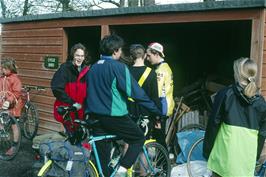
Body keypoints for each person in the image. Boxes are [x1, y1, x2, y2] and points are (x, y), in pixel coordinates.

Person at [85, 34, 161, 177]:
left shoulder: (93, 67)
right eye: (120, 50)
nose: (121, 53)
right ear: (115, 51)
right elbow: (136, 93)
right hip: (114, 116)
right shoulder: (118, 67)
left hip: (94, 117)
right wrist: (155, 109)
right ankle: (122, 170)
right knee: (138, 138)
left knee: (103, 165)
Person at [203, 57, 266, 177]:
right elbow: (262, 133)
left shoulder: (225, 94)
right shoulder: (262, 103)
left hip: (223, 159)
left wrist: (207, 151)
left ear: (237, 73)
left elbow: (213, 124)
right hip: (246, 161)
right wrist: (255, 157)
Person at [51, 43, 90, 133]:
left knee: (80, 135)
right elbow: (56, 89)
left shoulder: (86, 71)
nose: (79, 58)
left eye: (82, 56)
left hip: (81, 110)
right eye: (77, 55)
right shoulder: (65, 69)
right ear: (73, 55)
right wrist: (72, 103)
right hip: (68, 110)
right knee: (70, 135)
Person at [127, 44, 161, 137]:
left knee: (129, 141)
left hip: (129, 111)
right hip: (145, 113)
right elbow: (155, 97)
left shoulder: (126, 71)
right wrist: (158, 116)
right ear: (145, 56)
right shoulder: (151, 73)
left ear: (131, 57)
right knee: (143, 141)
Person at [146, 42, 174, 149]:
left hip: (162, 107)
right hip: (165, 105)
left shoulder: (160, 71)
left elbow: (156, 93)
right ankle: (163, 163)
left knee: (159, 139)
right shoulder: (165, 67)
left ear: (156, 54)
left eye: (149, 55)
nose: (147, 58)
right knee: (159, 137)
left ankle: (164, 164)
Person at [0, 58, 23, 155]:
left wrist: (9, 101)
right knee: (2, 121)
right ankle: (4, 135)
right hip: (3, 104)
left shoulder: (15, 79)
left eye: (4, 68)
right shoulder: (1, 78)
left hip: (14, 106)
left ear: (10, 68)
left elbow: (17, 93)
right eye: (2, 68)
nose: (2, 70)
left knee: (14, 125)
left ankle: (14, 145)